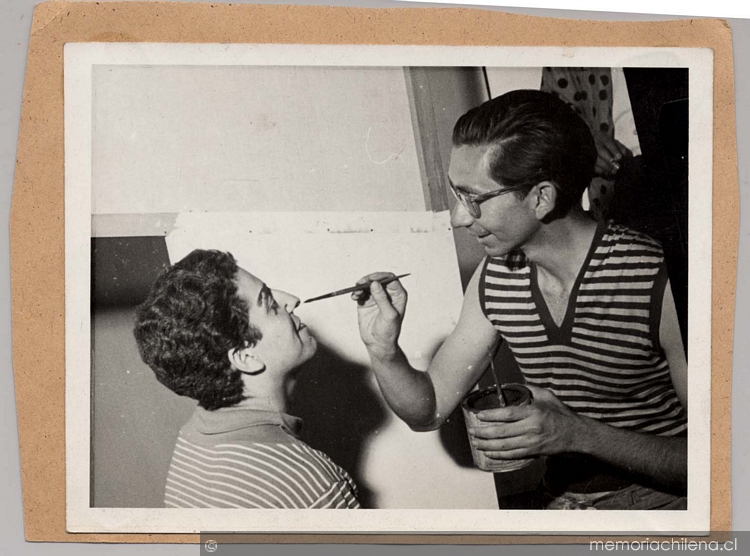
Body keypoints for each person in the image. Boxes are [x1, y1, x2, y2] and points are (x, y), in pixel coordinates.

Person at [353, 89, 687, 510]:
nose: (458, 218)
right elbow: (430, 409)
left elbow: (719, 459)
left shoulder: (658, 279)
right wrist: (383, 349)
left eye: (473, 199)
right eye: (457, 196)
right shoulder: (496, 276)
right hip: (561, 501)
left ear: (541, 198)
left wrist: (576, 433)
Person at [134, 249, 360, 509]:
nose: (293, 300)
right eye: (270, 304)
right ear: (245, 357)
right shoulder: (312, 484)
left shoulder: (194, 437)